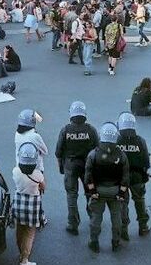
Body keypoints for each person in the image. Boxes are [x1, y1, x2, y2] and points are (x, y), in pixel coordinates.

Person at [55, 101, 99, 236]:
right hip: (87, 166)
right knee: (90, 193)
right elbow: (98, 149)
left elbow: (58, 152)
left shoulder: (65, 130)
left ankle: (72, 224)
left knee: (71, 195)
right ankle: (93, 218)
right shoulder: (91, 130)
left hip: (70, 165)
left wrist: (61, 167)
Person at [85, 122, 129, 253]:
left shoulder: (93, 154)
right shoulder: (121, 155)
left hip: (98, 190)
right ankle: (116, 242)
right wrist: (121, 193)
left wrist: (92, 191)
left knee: (96, 217)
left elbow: (88, 175)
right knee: (116, 217)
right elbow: (125, 177)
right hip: (115, 191)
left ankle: (94, 242)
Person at [116, 113, 151, 239]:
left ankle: (123, 230)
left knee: (122, 203)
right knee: (140, 200)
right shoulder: (140, 141)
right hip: (137, 177)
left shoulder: (116, 140)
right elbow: (146, 161)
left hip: (120, 178)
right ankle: (143, 226)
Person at [12, 143, 46, 265]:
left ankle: (20, 251)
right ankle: (24, 259)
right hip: (32, 205)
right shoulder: (38, 174)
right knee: (30, 232)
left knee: (19, 229)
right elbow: (43, 186)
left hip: (19, 202)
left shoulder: (15, 171)